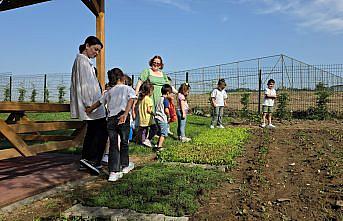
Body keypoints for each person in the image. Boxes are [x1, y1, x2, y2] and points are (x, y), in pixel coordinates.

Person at [86, 68, 136, 182]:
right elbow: (131, 100)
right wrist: (125, 113)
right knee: (124, 142)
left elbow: (99, 102)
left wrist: (89, 109)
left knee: (113, 144)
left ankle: (113, 172)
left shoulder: (109, 91)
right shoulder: (128, 88)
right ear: (122, 77)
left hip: (111, 119)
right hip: (123, 117)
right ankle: (125, 165)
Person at [70, 36, 107, 174]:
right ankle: (92, 160)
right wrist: (89, 105)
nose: (96, 53)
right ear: (87, 45)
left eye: (98, 51)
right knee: (100, 131)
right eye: (95, 49)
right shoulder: (82, 61)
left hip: (93, 104)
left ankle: (87, 159)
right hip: (91, 105)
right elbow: (85, 85)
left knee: (93, 131)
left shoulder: (85, 62)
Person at [137, 81, 157, 147]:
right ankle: (148, 139)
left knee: (143, 131)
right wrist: (154, 114)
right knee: (154, 129)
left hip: (142, 118)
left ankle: (142, 141)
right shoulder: (149, 99)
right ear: (149, 91)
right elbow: (148, 110)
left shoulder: (141, 99)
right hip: (148, 119)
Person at [155, 84, 173, 149]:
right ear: (168, 93)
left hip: (157, 118)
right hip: (162, 119)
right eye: (171, 93)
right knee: (164, 133)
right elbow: (166, 110)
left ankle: (157, 144)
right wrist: (169, 116)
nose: (172, 95)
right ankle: (159, 147)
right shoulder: (166, 100)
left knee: (160, 132)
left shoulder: (159, 99)